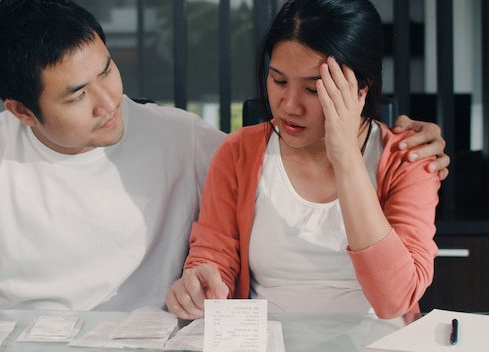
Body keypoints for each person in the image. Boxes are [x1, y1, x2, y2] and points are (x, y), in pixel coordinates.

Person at [0, 0, 448, 350]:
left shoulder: (184, 136)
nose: (108, 101)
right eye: (75, 95)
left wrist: (371, 146)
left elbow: (282, 192)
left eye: (108, 71)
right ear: (20, 109)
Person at [166, 0, 441, 322]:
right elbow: (214, 257)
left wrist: (347, 159)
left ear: (361, 89)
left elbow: (395, 299)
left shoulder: (409, 158)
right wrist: (200, 282)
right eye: (279, 81)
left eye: (313, 89)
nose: (289, 106)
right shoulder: (239, 152)